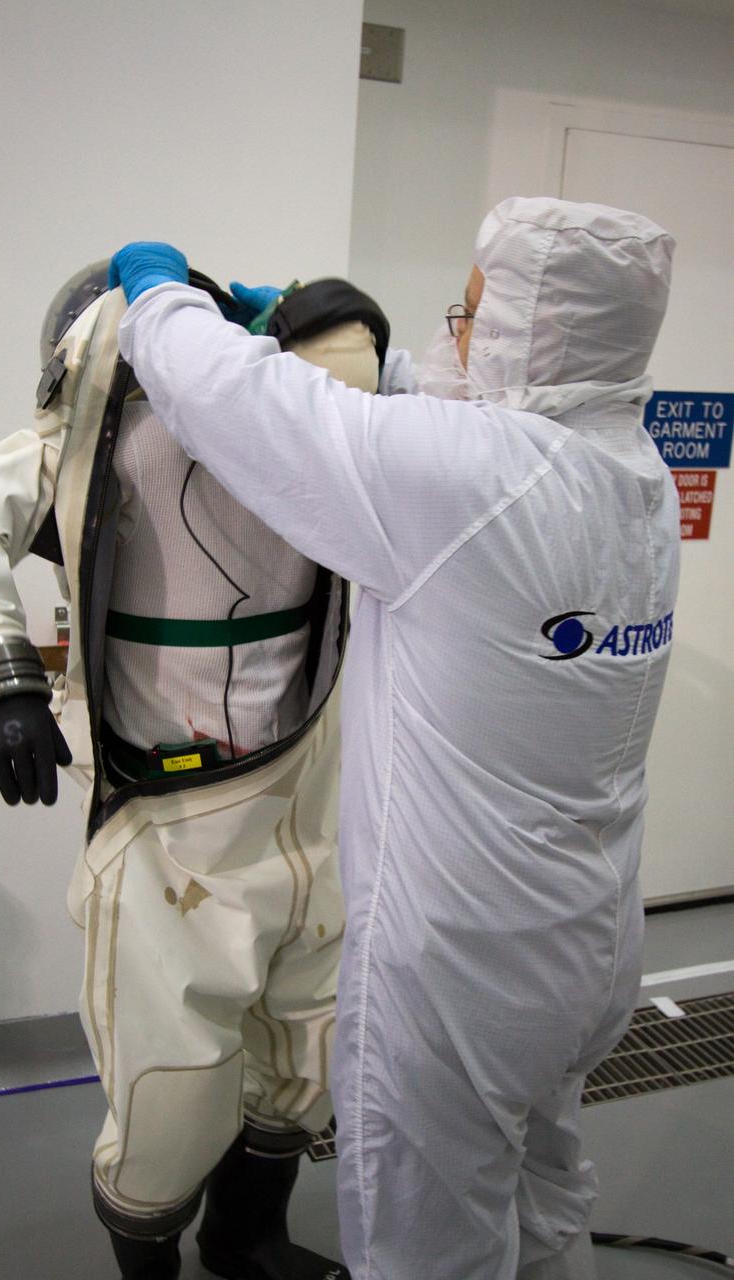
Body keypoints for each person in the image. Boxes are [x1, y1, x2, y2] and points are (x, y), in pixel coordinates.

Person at [106, 197, 681, 1280]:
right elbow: (458, 413)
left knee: (430, 1238)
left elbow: (239, 402)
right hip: (584, 944)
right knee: (544, 1183)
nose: (450, 337)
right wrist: (345, 333)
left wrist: (158, 294)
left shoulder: (458, 480)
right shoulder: (631, 474)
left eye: (469, 315)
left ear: (520, 333)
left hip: (458, 970)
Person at [0, 264, 391, 1280]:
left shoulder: (290, 411)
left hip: (313, 788)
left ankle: (246, 1234)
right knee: (171, 1085)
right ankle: (153, 1259)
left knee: (309, 1051)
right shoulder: (87, 438)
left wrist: (352, 339)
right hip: (171, 818)